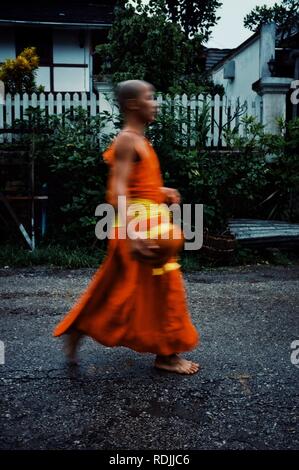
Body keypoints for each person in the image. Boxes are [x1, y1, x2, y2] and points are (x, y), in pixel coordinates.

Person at [53, 79, 200, 375]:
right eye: (151, 97)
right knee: (161, 289)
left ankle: (80, 329)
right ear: (133, 104)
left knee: (117, 291)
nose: (155, 103)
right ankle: (167, 355)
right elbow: (117, 189)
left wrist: (163, 192)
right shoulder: (126, 140)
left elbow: (139, 188)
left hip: (148, 227)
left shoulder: (140, 141)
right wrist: (132, 234)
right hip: (137, 230)